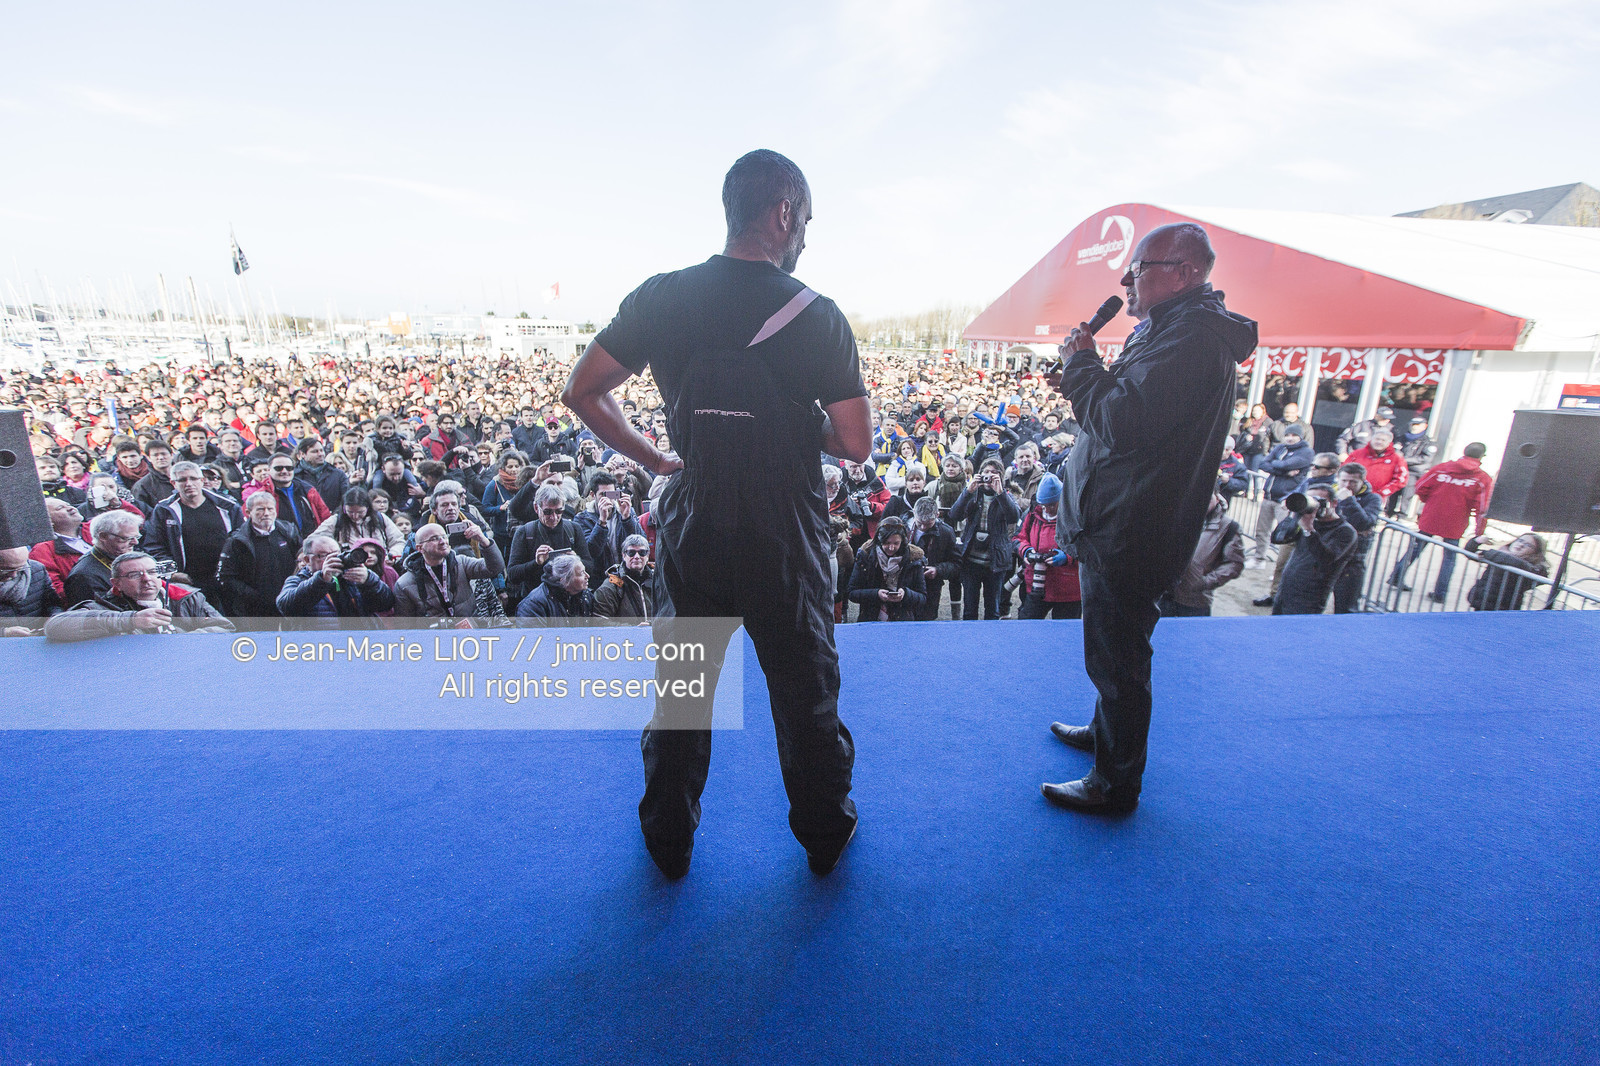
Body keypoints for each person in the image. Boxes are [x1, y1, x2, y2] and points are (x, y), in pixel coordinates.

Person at [561, 149, 871, 878]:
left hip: (694, 524)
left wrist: (653, 457)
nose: (805, 240)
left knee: (682, 693)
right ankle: (825, 835)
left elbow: (582, 390)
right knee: (805, 696)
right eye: (807, 223)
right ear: (783, 213)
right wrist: (795, 423)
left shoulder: (662, 297)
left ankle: (668, 842)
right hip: (784, 535)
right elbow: (854, 443)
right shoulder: (817, 314)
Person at [1043, 222, 1257, 813]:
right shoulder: (1170, 331)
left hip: (1132, 529)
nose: (1125, 280)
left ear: (1184, 273)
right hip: (1120, 519)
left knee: (1121, 661)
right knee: (1113, 652)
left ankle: (1114, 785)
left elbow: (1120, 423)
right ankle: (1106, 735)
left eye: (1137, 268)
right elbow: (1123, 415)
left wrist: (1085, 365)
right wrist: (1082, 375)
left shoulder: (1191, 341)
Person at [45, 551, 234, 642]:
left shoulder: (185, 595)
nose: (147, 580)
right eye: (135, 575)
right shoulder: (106, 606)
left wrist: (181, 641)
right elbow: (55, 626)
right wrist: (131, 620)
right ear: (116, 583)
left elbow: (224, 627)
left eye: (152, 572)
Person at [1389, 442, 1493, 603]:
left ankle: (1396, 577)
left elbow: (1421, 487)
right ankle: (1440, 593)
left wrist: (1430, 502)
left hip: (1431, 516)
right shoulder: (1482, 478)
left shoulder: (1442, 468)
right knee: (1449, 558)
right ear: (1482, 457)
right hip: (1455, 523)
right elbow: (1482, 508)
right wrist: (1479, 532)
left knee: (1415, 549)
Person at [140, 461, 242, 606]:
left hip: (226, 578)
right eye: (182, 480)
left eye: (193, 478)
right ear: (173, 483)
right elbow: (154, 545)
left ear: (202, 480)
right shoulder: (164, 510)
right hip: (187, 580)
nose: (189, 483)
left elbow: (241, 539)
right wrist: (173, 573)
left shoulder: (227, 506)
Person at [948, 457, 1020, 619]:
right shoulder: (974, 493)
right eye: (986, 472)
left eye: (994, 473)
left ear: (1001, 476)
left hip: (994, 561)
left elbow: (1013, 517)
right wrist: (968, 491)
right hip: (971, 561)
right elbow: (955, 514)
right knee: (970, 609)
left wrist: (1000, 492)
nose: (989, 476)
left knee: (992, 609)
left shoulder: (1005, 495)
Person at [1270, 484, 1358, 615]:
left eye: (1319, 501)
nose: (1314, 506)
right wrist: (1292, 515)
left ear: (1334, 503)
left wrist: (1309, 530)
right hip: (1286, 589)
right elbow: (1278, 538)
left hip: (1309, 597)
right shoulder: (1307, 520)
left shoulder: (1345, 531)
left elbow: (1326, 559)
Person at [217, 490, 303, 621]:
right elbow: (226, 577)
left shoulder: (289, 531)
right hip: (255, 610)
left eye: (270, 509)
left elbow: (301, 558)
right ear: (248, 512)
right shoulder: (237, 541)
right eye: (260, 509)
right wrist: (253, 595)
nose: (266, 513)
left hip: (289, 601)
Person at [394, 521, 504, 622]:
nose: (442, 542)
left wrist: (483, 540)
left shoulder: (462, 562)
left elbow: (495, 568)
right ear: (420, 548)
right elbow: (406, 625)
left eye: (444, 536)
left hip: (468, 634)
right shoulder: (404, 584)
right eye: (434, 539)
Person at [277, 534, 396, 627]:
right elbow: (286, 608)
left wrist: (369, 581)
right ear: (307, 559)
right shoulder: (298, 580)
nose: (333, 559)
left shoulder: (355, 575)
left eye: (336, 554)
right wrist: (322, 579)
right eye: (324, 555)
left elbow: (386, 604)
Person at [1159, 493, 1243, 617]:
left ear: (1217, 498)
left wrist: (1206, 582)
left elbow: (1234, 563)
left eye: (1208, 498)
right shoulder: (1176, 515)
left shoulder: (1228, 527)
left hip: (1195, 602)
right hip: (1164, 596)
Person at [1014, 473, 1081, 619]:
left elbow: (1087, 546)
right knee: (1028, 627)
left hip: (1068, 591)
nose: (1047, 509)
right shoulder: (1032, 514)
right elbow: (1018, 538)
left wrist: (1067, 557)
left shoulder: (1076, 516)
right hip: (1037, 586)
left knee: (1064, 634)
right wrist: (1026, 551)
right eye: (1043, 505)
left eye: (1052, 505)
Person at [1248, 428, 1314, 567]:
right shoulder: (1280, 448)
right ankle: (1259, 559)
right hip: (1269, 495)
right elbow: (1263, 463)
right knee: (1262, 530)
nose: (1290, 438)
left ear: (1300, 437)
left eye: (1294, 435)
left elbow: (1286, 464)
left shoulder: (1306, 452)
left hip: (1286, 499)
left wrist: (1278, 465)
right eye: (1287, 435)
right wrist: (1283, 471)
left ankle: (1283, 567)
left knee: (1286, 535)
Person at [846, 515, 927, 621]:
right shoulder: (865, 555)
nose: (891, 548)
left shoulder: (914, 559)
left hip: (902, 620)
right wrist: (876, 594)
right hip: (871, 619)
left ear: (902, 541)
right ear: (879, 540)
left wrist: (906, 594)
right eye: (887, 543)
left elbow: (922, 597)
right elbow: (852, 593)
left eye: (896, 543)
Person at [1330, 462, 1384, 614]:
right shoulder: (1329, 492)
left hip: (1353, 557)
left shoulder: (1373, 499)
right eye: (1344, 480)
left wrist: (1348, 501)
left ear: (1362, 481)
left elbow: (1364, 523)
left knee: (1346, 605)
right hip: (1327, 551)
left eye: (1353, 481)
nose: (1347, 485)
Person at [64, 510, 142, 607]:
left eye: (137, 537)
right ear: (103, 536)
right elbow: (94, 615)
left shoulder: (121, 558)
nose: (135, 542)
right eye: (126, 538)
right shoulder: (83, 576)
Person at [30, 497, 94, 599]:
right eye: (60, 508)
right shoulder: (43, 550)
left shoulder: (95, 528)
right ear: (48, 520)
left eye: (68, 504)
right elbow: (55, 589)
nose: (70, 508)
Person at [907, 496, 959, 620]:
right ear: (914, 512)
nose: (923, 528)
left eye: (928, 524)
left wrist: (938, 570)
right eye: (920, 523)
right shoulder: (903, 528)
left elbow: (956, 564)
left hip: (931, 587)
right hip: (906, 584)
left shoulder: (945, 532)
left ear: (937, 515)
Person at [1466, 534, 1550, 611]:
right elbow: (1470, 553)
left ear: (1535, 552)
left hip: (1502, 609)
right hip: (1481, 601)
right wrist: (1477, 540)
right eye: (1520, 540)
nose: (1521, 545)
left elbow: (1519, 564)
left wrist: (1489, 554)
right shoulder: (1499, 555)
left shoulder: (1531, 567)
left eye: (1528, 545)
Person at [0, 546, 64, 635]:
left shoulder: (37, 570)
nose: (14, 575)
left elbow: (53, 604)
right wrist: (4, 632)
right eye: (7, 569)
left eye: (20, 568)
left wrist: (54, 620)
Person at [514, 551, 595, 619]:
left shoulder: (586, 596)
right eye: (581, 573)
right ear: (564, 580)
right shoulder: (532, 606)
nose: (587, 576)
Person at [593, 533, 655, 620]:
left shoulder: (657, 581)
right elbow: (600, 622)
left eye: (642, 552)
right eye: (631, 553)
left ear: (647, 556)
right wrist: (634, 630)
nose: (637, 557)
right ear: (623, 555)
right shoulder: (611, 586)